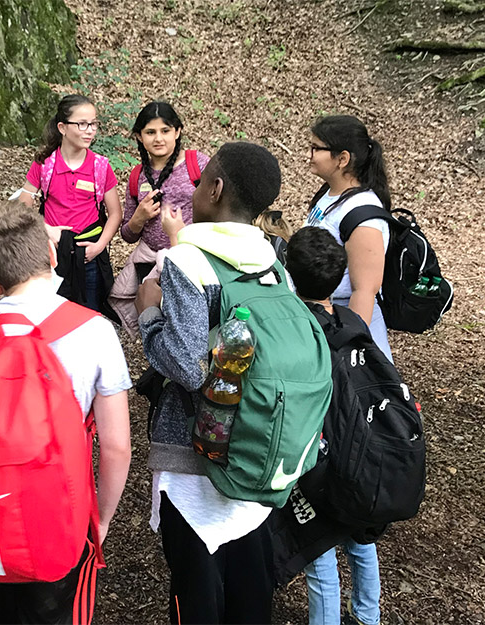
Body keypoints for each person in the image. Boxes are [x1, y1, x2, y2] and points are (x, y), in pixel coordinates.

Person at [137, 143, 325, 624]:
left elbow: (186, 365)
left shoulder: (190, 260)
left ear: (215, 189)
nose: (195, 189)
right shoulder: (272, 261)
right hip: (260, 451)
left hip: (197, 461)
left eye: (201, 183)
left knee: (196, 597)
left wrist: (148, 313)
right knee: (249, 598)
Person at [0, 201, 132, 624]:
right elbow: (116, 448)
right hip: (59, 516)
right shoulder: (94, 331)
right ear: (53, 254)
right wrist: (101, 521)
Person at [287, 225, 383, 625]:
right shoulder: (351, 321)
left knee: (320, 549)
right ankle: (368, 615)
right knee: (361, 540)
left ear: (289, 273)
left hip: (321, 453)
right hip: (361, 446)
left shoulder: (297, 329)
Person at [17, 94, 123, 321]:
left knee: (90, 317)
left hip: (90, 254)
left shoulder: (100, 167)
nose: (90, 130)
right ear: (62, 127)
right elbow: (23, 204)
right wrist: (47, 230)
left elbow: (115, 213)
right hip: (52, 254)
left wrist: (99, 246)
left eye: (94, 124)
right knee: (51, 315)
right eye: (82, 124)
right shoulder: (45, 164)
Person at [108, 101, 208, 337]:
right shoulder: (137, 176)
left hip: (190, 260)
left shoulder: (198, 164)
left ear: (178, 131)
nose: (158, 138)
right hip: (148, 260)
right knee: (152, 318)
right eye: (150, 132)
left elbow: (219, 210)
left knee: (182, 321)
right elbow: (127, 235)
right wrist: (139, 218)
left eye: (165, 131)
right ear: (139, 137)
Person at [304, 115, 393, 362]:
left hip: (342, 324)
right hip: (323, 316)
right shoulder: (330, 194)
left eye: (316, 148)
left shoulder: (363, 216)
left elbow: (364, 291)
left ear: (342, 159)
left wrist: (346, 351)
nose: (309, 155)